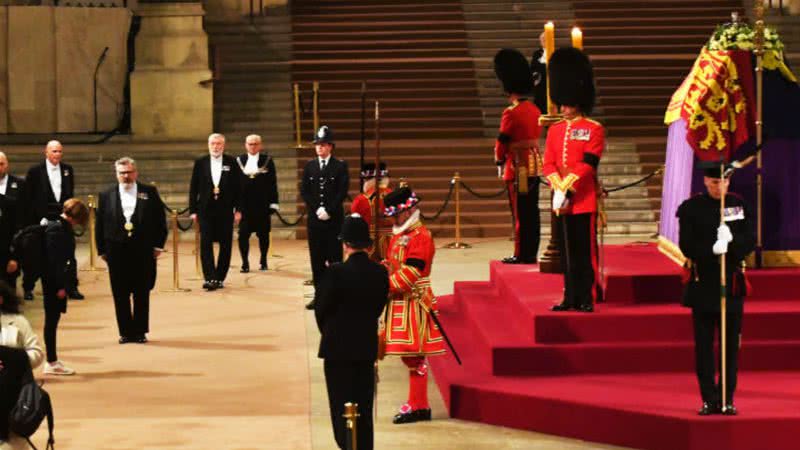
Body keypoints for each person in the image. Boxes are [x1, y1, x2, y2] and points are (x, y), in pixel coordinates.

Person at [677, 164, 755, 415]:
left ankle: (727, 398)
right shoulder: (691, 208)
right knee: (704, 347)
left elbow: (749, 240)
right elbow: (687, 245)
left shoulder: (737, 206)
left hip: (730, 283)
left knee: (730, 346)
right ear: (705, 182)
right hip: (703, 284)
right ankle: (708, 398)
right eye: (713, 183)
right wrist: (712, 248)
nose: (719, 188)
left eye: (723, 183)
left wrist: (732, 243)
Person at [314, 214, 388, 450]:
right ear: (368, 245)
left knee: (341, 407)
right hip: (365, 348)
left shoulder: (335, 272)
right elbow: (378, 307)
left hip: (337, 350)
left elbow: (321, 309)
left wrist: (329, 332)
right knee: (364, 407)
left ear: (345, 245)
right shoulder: (380, 273)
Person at [543, 47, 604, 313]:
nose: (563, 108)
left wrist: (568, 183)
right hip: (561, 199)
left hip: (584, 199)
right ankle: (569, 296)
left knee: (585, 253)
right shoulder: (555, 130)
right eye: (562, 103)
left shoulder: (594, 128)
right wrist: (557, 183)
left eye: (567, 104)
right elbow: (548, 162)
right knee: (567, 254)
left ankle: (587, 297)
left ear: (578, 102)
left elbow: (590, 163)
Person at [381, 186, 445, 424]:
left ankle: (419, 405)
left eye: (394, 215)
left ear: (406, 212)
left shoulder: (420, 236)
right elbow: (393, 263)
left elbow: (411, 273)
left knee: (414, 356)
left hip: (414, 300)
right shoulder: (400, 233)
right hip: (400, 300)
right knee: (409, 357)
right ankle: (418, 404)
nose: (392, 219)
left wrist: (383, 286)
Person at [96, 157, 168, 344]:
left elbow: (161, 220)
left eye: (129, 172)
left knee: (141, 291)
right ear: (116, 174)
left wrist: (158, 245)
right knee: (119, 292)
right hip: (116, 249)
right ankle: (125, 332)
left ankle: (140, 331)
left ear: (135, 172)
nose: (126, 176)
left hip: (143, 249)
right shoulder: (106, 195)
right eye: (122, 173)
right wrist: (101, 249)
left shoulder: (149, 192)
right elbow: (100, 224)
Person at [493, 48, 543, 264]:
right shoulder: (535, 109)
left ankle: (521, 252)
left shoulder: (510, 112)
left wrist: (498, 160)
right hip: (533, 162)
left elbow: (502, 140)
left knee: (520, 212)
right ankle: (531, 250)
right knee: (532, 209)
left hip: (517, 165)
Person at [21, 140, 82, 301]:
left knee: (69, 254)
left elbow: (70, 195)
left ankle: (71, 287)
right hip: (41, 220)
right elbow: (29, 198)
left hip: (63, 218)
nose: (57, 154)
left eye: (60, 151)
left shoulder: (68, 170)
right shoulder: (34, 172)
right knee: (36, 255)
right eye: (54, 151)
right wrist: (38, 218)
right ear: (46, 152)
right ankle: (28, 288)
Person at [34, 198, 88, 375]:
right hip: (53, 282)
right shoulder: (57, 230)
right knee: (51, 321)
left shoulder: (59, 226)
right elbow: (55, 262)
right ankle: (51, 361)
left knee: (53, 321)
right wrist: (61, 287)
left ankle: (52, 359)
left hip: (55, 280)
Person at [301, 125, 349, 309]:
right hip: (315, 221)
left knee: (335, 259)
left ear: (330, 146)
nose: (319, 148)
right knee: (317, 259)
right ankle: (320, 295)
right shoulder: (310, 166)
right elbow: (305, 191)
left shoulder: (340, 166)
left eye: (323, 144)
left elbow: (341, 191)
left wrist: (328, 209)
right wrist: (316, 209)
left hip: (334, 220)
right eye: (317, 145)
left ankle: (336, 295)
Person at [189, 133, 242, 291]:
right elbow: (194, 188)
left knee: (225, 245)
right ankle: (210, 277)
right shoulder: (201, 162)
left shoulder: (232, 162)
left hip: (226, 211)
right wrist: (193, 210)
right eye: (213, 143)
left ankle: (220, 277)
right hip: (205, 211)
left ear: (224, 145)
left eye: (219, 143)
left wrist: (238, 210)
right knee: (206, 244)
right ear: (208, 145)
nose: (216, 146)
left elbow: (239, 188)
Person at [236, 134, 279, 273]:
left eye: (255, 144)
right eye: (250, 144)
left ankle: (264, 260)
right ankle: (245, 262)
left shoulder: (267, 160)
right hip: (244, 206)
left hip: (262, 205)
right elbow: (234, 185)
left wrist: (273, 203)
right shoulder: (239, 161)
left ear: (260, 145)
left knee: (264, 235)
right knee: (243, 235)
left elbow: (273, 184)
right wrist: (235, 206)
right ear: (245, 145)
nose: (252, 146)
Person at [350, 162, 392, 259]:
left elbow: (355, 226)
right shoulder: (394, 195)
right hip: (392, 245)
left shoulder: (360, 200)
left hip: (368, 246)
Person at [0, 153, 25, 287]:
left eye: (1, 164)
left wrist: (15, 257)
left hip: (11, 243)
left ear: (7, 165)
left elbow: (23, 220)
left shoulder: (20, 184)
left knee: (9, 289)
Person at [530, 32, 549, 115]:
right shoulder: (537, 54)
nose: (543, 41)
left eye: (545, 39)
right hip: (540, 85)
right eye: (542, 40)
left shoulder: (556, 53)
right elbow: (533, 68)